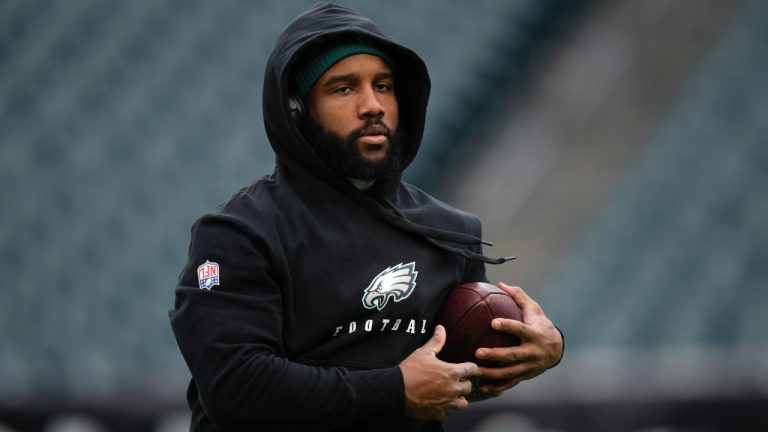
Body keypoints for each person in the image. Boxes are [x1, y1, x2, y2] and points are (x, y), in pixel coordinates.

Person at [170, 3, 564, 431]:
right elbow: (236, 388)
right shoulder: (237, 235)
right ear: (296, 111)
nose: (373, 105)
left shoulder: (452, 231)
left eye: (384, 86)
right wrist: (396, 390)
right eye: (343, 88)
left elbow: (457, 377)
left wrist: (538, 351)